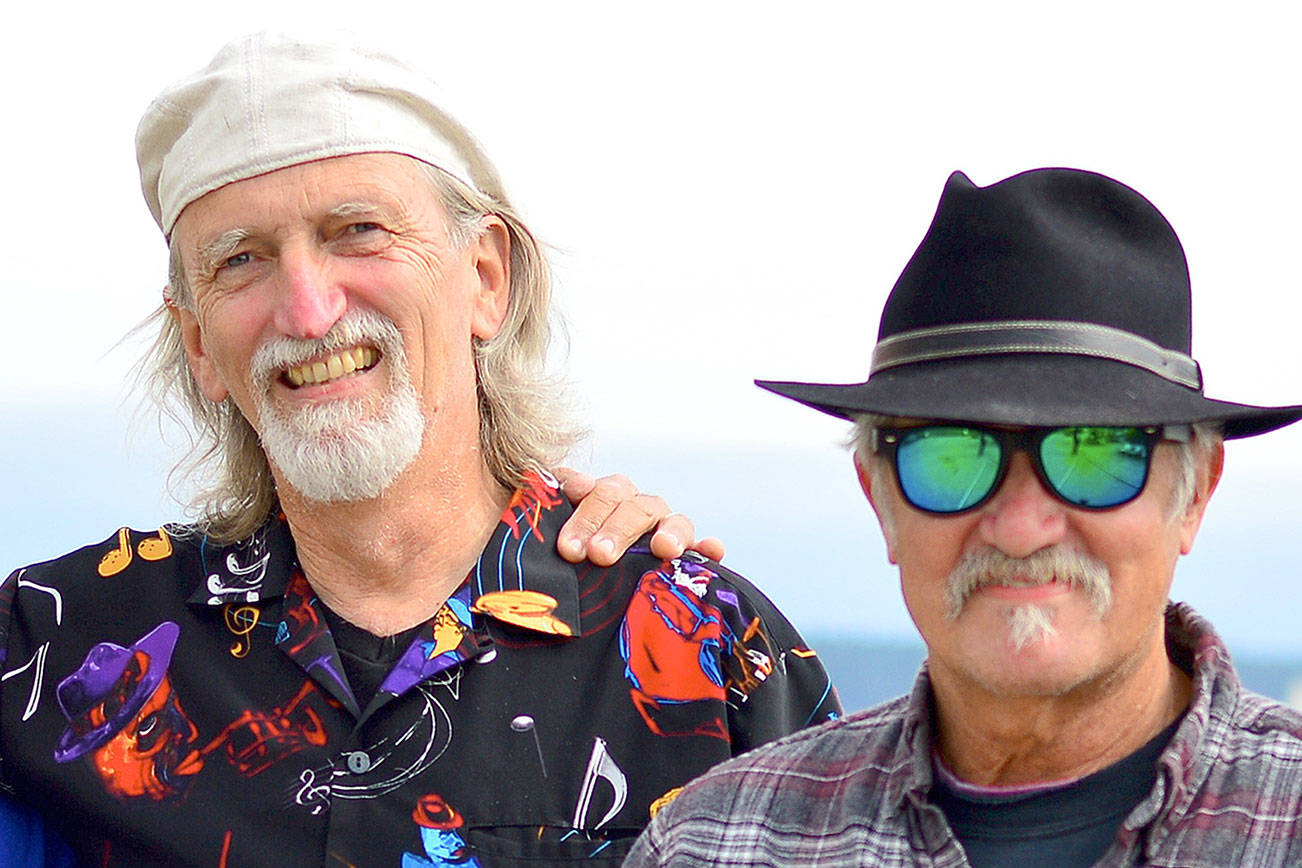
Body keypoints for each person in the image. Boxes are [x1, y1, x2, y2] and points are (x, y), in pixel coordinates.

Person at [0, 34, 839, 866]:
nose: (308, 308)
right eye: (242, 260)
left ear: (485, 278)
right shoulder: (53, 643)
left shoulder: (708, 650)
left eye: (357, 230)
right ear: (196, 343)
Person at [628, 167, 1302, 866]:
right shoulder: (716, 844)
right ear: (878, 497)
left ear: (1194, 495)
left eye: (1093, 454)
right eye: (949, 457)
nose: (1019, 527)